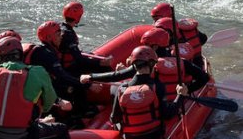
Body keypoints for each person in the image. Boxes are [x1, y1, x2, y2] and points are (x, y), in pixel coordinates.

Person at [81, 29, 209, 97]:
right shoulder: (182, 62)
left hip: (154, 103)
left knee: (118, 87)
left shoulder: (146, 62)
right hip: (172, 102)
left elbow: (117, 76)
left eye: (146, 45)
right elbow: (204, 77)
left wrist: (91, 77)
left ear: (154, 47)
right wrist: (187, 90)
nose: (143, 47)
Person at [110, 46, 189, 139]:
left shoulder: (121, 89)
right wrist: (180, 95)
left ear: (134, 65)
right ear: (152, 64)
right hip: (154, 134)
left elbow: (114, 118)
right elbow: (168, 115)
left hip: (130, 138)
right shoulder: (158, 86)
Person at [31, 21, 101, 120]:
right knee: (73, 85)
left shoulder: (46, 50)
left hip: (45, 86)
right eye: (58, 34)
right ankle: (80, 113)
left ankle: (80, 111)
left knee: (73, 79)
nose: (61, 37)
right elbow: (62, 76)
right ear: (48, 38)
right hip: (41, 93)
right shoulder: (47, 55)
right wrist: (88, 85)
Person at [60, 1, 112, 75]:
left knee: (95, 57)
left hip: (63, 64)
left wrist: (93, 56)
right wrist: (100, 62)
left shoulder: (60, 26)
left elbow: (73, 52)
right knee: (105, 68)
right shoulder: (68, 34)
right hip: (69, 68)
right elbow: (79, 59)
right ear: (78, 17)